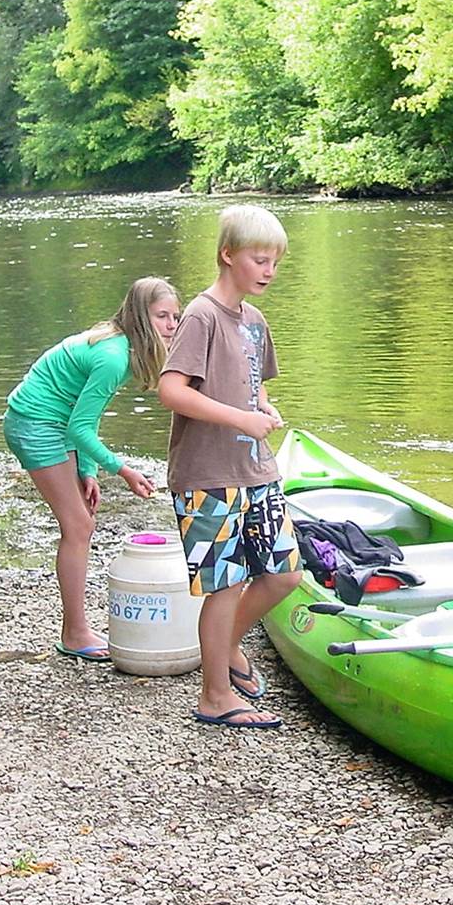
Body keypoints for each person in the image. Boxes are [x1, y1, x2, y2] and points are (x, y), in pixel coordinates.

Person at [158, 205, 301, 729]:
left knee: (284, 575)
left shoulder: (255, 321)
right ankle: (214, 695)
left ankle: (227, 647)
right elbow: (172, 390)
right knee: (224, 585)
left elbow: (254, 382)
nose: (268, 271)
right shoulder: (200, 316)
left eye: (275, 263)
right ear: (228, 255)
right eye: (259, 260)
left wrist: (262, 406)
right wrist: (240, 414)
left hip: (257, 470)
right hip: (206, 476)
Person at [3, 276, 181, 661]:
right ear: (138, 317)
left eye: (175, 317)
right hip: (35, 423)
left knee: (83, 519)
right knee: (79, 525)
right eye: (161, 316)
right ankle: (75, 633)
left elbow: (85, 417)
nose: (171, 325)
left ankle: (77, 627)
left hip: (55, 420)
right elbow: (78, 427)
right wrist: (122, 470)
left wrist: (87, 470)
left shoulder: (121, 346)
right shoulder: (113, 357)